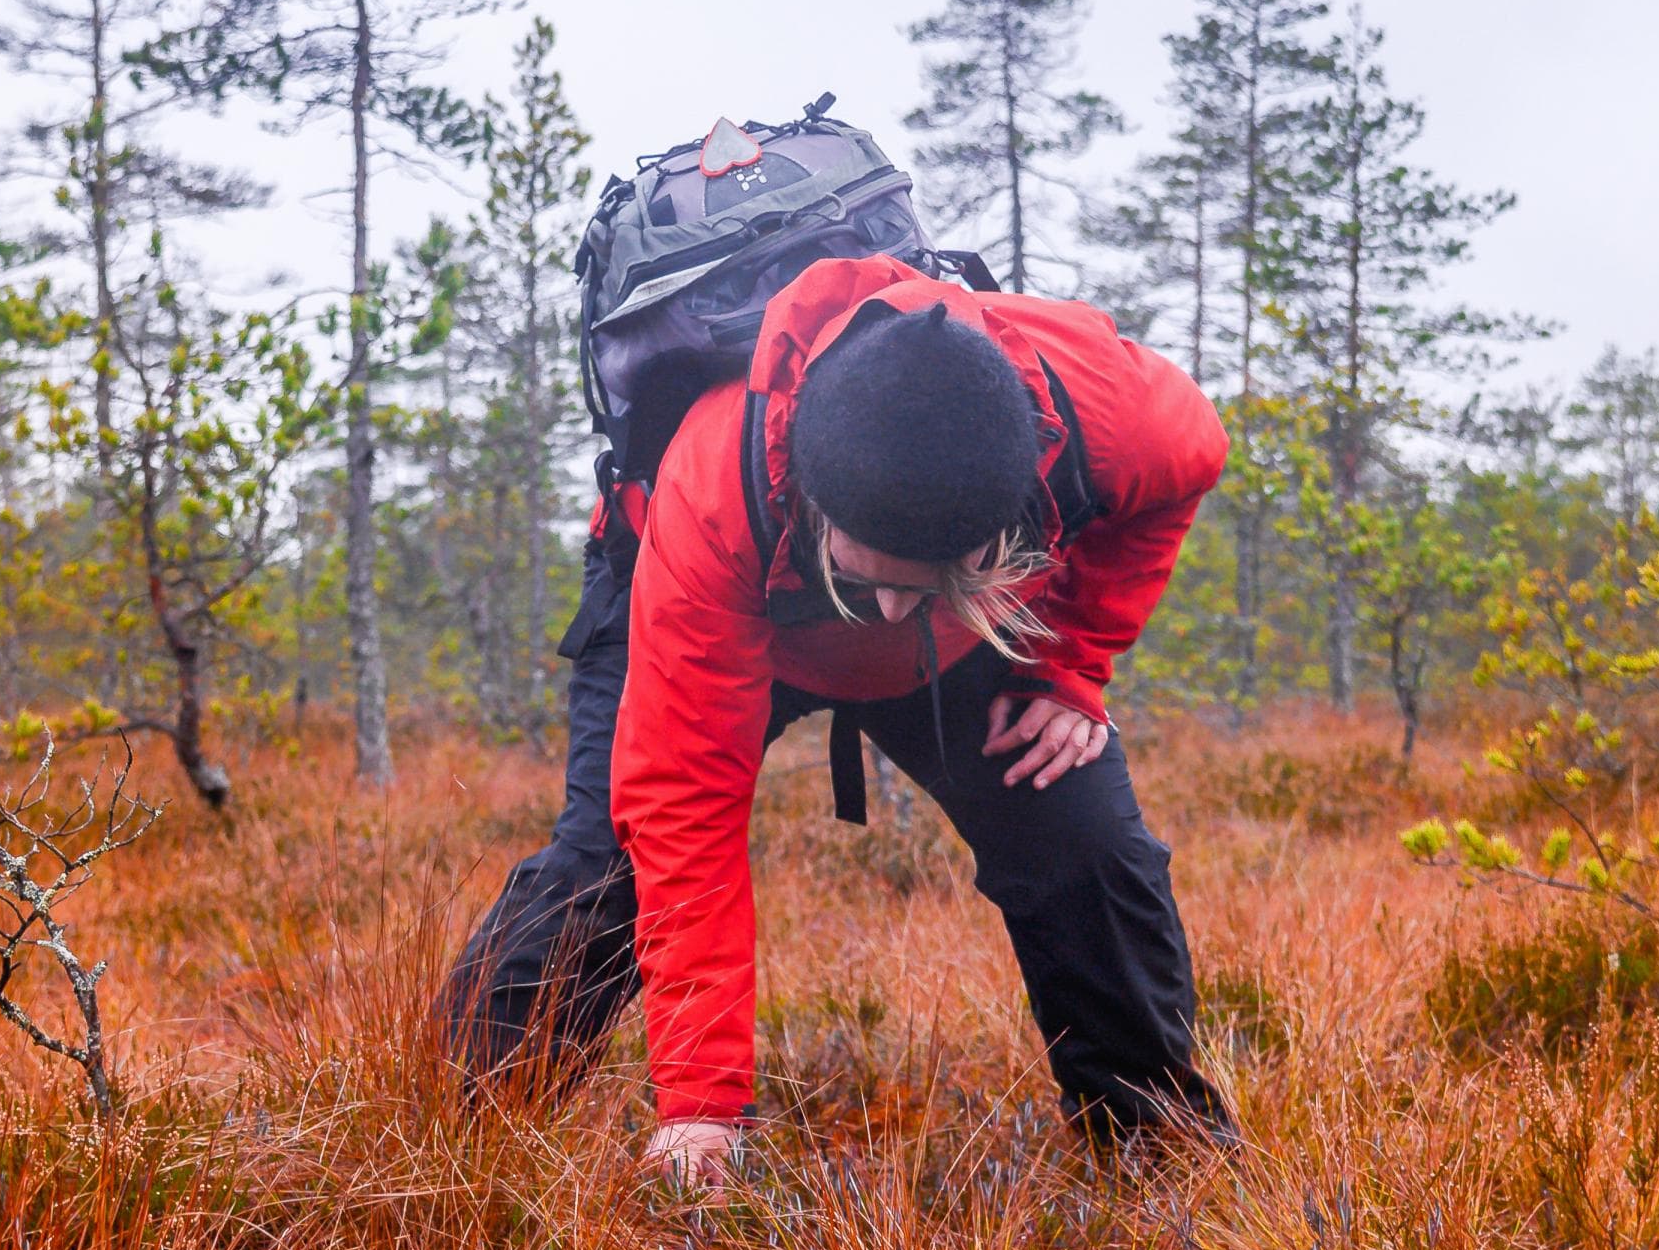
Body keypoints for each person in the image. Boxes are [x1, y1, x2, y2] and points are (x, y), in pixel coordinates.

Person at [442, 254, 1229, 1183]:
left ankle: (1163, 1161)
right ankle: (450, 1132)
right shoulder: (716, 491)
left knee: (1085, 841)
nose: (891, 614)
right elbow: (687, 807)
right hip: (727, 607)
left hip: (976, 634)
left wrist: (1071, 669)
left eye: (926, 581)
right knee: (603, 867)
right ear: (812, 500)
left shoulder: (1107, 410)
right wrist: (702, 1104)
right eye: (868, 580)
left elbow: (1190, 464)